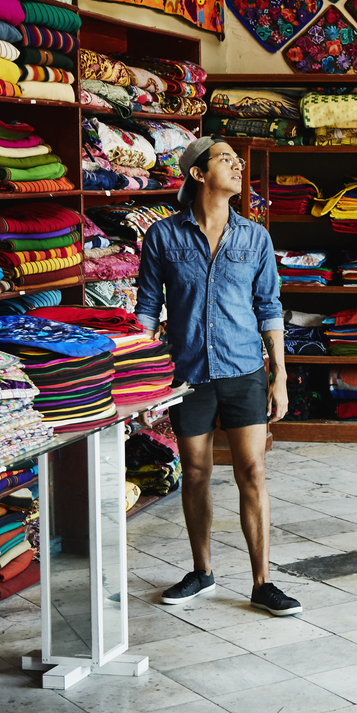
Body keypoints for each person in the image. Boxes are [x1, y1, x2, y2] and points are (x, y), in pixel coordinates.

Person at [134, 137, 302, 616]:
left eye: (237, 159)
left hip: (244, 369)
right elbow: (147, 309)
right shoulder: (163, 237)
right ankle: (202, 571)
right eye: (226, 159)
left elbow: (269, 307)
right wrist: (144, 379)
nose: (237, 165)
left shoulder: (255, 238)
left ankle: (263, 582)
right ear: (197, 174)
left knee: (253, 471)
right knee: (195, 473)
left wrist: (281, 376)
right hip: (187, 373)